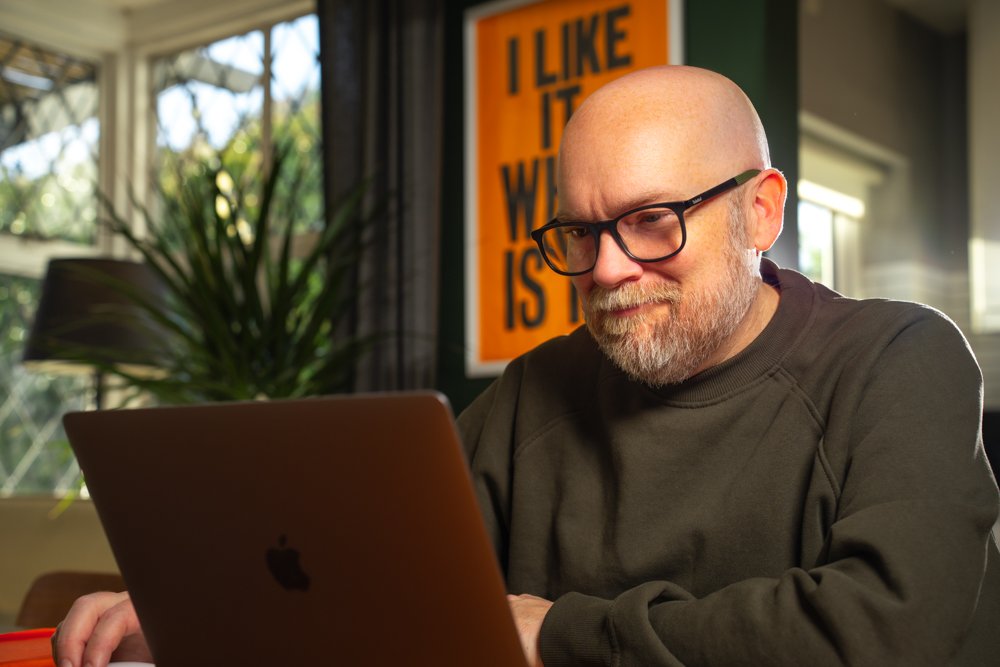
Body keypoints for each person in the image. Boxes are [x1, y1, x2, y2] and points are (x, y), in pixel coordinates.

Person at [53, 65, 1000, 667]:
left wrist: (561, 633)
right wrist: (194, 613)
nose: (611, 268)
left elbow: (883, 633)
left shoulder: (899, 358)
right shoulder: (534, 391)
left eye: (652, 220)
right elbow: (367, 571)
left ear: (760, 210)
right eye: (581, 232)